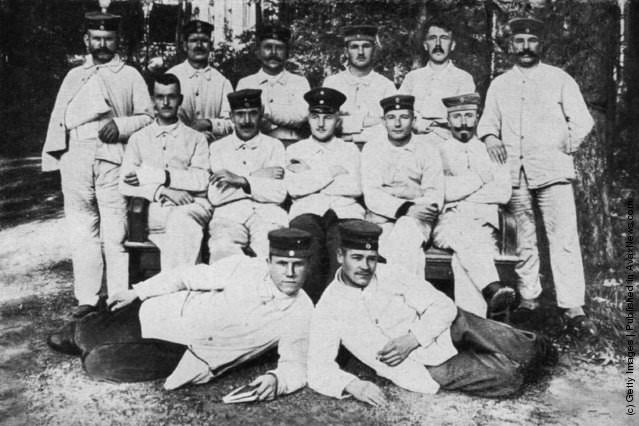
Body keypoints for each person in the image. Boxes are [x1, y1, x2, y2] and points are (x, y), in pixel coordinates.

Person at [307, 220, 556, 405]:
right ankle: (507, 354)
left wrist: (414, 338)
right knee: (509, 379)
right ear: (340, 256)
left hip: (447, 329)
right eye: (357, 258)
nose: (365, 267)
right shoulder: (329, 307)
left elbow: (443, 305)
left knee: (528, 349)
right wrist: (354, 385)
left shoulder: (390, 273)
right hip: (422, 367)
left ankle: (539, 348)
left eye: (371, 258)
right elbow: (318, 367)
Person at [46, 228, 314, 398]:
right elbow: (188, 276)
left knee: (97, 364)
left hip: (186, 351)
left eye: (297, 265)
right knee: (74, 335)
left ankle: (97, 347)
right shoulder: (247, 267)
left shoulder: (301, 310)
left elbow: (297, 362)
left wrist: (277, 379)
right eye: (282, 264)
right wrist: (138, 292)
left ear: (308, 266)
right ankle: (88, 333)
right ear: (269, 262)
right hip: (169, 312)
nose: (289, 273)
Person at [477, 17, 597, 336]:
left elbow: (582, 122)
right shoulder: (500, 84)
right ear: (511, 45)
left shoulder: (559, 79)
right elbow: (487, 124)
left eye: (531, 40)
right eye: (519, 41)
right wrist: (490, 138)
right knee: (524, 238)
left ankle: (572, 306)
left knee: (564, 237)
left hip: (552, 171)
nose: (525, 47)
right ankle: (529, 299)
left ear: (539, 43)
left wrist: (560, 147)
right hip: (514, 173)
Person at [42, 10, 153, 318]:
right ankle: (87, 299)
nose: (102, 44)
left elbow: (148, 117)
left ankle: (118, 297)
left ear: (118, 40)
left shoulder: (129, 76)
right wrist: (57, 157)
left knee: (115, 230)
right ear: (86, 40)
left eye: (109, 38)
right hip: (76, 157)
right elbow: (59, 121)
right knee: (82, 229)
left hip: (112, 156)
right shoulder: (73, 76)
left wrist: (121, 125)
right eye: (96, 38)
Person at [119, 73, 212, 270]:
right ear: (153, 100)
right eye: (160, 97)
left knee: (182, 224)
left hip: (191, 205)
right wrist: (163, 191)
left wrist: (156, 176)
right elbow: (124, 183)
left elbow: (201, 180)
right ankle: (177, 292)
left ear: (180, 99)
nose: (166, 102)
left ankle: (176, 292)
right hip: (154, 210)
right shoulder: (138, 139)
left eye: (171, 96)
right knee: (173, 230)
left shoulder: (196, 138)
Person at [432, 93, 513, 318]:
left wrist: (462, 195)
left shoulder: (493, 148)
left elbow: (503, 193)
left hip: (485, 223)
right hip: (449, 222)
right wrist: (480, 178)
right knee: (466, 235)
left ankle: (472, 332)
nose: (463, 122)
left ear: (477, 117)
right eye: (457, 117)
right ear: (448, 120)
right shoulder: (437, 150)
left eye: (469, 115)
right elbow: (442, 191)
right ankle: (491, 288)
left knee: (462, 261)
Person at [285, 87, 364, 303]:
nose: (320, 124)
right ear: (308, 118)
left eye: (327, 117)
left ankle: (336, 315)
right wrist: (332, 171)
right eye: (315, 116)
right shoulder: (296, 150)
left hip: (345, 212)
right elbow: (294, 188)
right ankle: (310, 313)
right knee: (309, 255)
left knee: (342, 255)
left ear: (337, 120)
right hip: (307, 211)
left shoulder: (350, 150)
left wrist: (312, 175)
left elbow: (355, 187)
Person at [361, 95, 444, 276]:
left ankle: (399, 301)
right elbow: (372, 194)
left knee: (404, 235)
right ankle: (409, 299)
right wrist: (405, 207)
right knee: (386, 249)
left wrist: (411, 211)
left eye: (404, 117)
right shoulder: (373, 149)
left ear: (414, 120)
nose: (397, 124)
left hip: (417, 218)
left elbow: (434, 193)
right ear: (383, 121)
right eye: (391, 118)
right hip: (383, 218)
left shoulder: (428, 148)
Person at [207, 89, 287, 262]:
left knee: (267, 254)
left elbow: (278, 193)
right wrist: (255, 177)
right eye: (240, 114)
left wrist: (239, 180)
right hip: (229, 215)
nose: (246, 121)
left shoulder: (274, 146)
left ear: (261, 113)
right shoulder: (218, 148)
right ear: (231, 117)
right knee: (222, 251)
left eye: (252, 113)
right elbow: (216, 196)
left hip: (268, 215)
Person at [399, 17, 475, 139]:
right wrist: (416, 122)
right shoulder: (412, 77)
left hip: (447, 140)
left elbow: (464, 118)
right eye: (432, 38)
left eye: (444, 38)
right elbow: (400, 110)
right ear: (425, 45)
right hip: (413, 139)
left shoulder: (463, 78)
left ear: (453, 45)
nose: (438, 44)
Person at [236, 24, 310, 145]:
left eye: (280, 48)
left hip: (292, 143)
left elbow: (301, 116)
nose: (273, 53)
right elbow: (241, 120)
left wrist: (266, 112)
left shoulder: (299, 82)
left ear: (287, 53)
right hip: (256, 146)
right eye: (268, 47)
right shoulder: (246, 83)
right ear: (258, 52)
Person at [323, 25, 396, 144]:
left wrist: (350, 134)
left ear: (374, 50)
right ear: (346, 52)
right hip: (337, 151)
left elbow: (391, 127)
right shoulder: (332, 83)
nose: (361, 52)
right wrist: (366, 122)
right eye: (354, 47)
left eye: (366, 46)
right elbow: (325, 124)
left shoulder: (386, 86)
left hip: (376, 152)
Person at [167, 19, 234, 142]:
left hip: (212, 150)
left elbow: (232, 123)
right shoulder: (172, 76)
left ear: (211, 45)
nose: (199, 46)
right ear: (185, 45)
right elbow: (162, 120)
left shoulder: (222, 82)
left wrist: (208, 123)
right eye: (193, 41)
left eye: (204, 41)